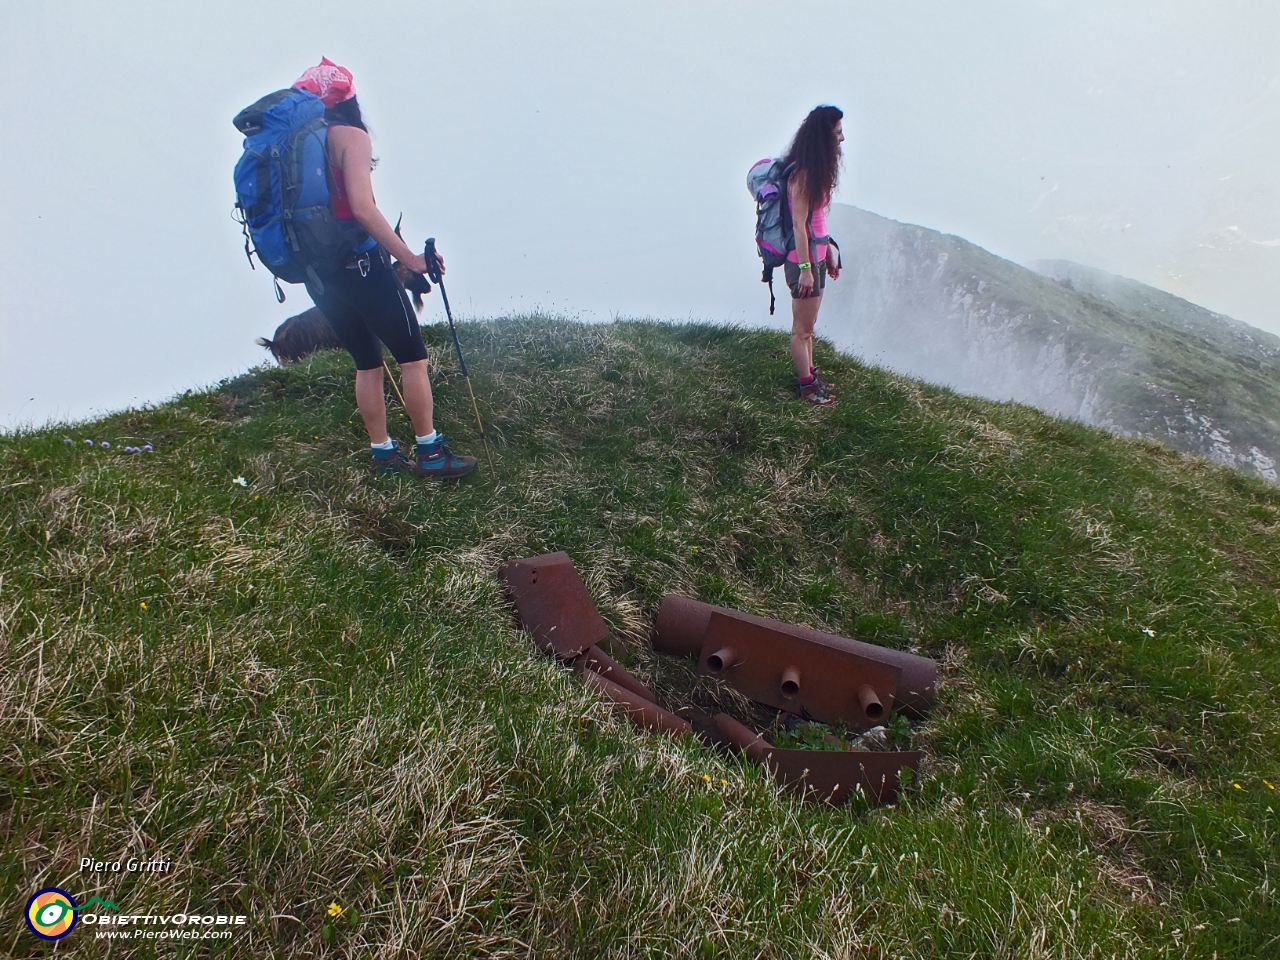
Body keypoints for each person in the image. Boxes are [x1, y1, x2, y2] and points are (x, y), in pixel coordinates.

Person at [292, 58, 477, 479]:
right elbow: (362, 207)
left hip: (320, 276)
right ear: (349, 98)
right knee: (412, 358)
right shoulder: (349, 136)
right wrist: (410, 259)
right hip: (361, 267)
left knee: (366, 363)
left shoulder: (300, 145)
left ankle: (384, 455)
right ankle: (430, 452)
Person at [782, 105, 845, 405]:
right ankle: (807, 388)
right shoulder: (803, 174)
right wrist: (806, 268)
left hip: (816, 257)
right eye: (837, 132)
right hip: (801, 261)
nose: (842, 138)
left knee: (809, 328)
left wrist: (828, 252)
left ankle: (811, 377)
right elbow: (798, 224)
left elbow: (816, 220)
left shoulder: (817, 170)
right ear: (823, 136)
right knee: (801, 330)